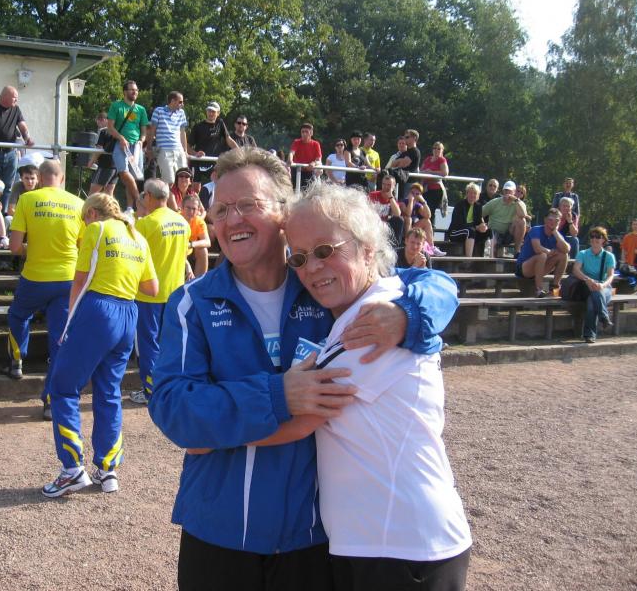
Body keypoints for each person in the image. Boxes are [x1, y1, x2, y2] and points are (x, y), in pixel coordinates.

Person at [148, 147, 459, 591]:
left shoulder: (323, 284)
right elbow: (175, 408)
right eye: (221, 209)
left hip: (310, 541)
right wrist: (277, 395)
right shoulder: (192, 302)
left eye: (248, 205)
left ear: (283, 214)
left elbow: (428, 282)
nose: (232, 220)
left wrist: (410, 315)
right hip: (217, 533)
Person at [282, 182, 470, 591]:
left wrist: (204, 431)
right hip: (381, 542)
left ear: (368, 249)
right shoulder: (365, 311)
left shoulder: (375, 319)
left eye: (325, 250)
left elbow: (299, 420)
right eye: (299, 257)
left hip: (402, 548)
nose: (311, 267)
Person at [42, 193, 158, 497]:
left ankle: (72, 469)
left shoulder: (97, 229)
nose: (84, 224)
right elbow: (152, 287)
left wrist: (68, 325)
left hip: (98, 311)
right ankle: (108, 469)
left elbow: (79, 281)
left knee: (62, 388)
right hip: (128, 313)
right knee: (109, 392)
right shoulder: (138, 237)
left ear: (92, 213)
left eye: (84, 218)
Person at [7, 160, 84, 420]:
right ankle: (51, 401)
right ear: (62, 179)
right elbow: (83, 246)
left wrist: (33, 249)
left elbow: (14, 247)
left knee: (18, 315)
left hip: (34, 278)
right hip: (67, 280)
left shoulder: (28, 199)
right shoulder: (78, 203)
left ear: (40, 178)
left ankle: (17, 359)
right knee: (59, 340)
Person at [134, 178, 190, 405]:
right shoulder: (182, 222)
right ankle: (169, 387)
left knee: (148, 344)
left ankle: (150, 391)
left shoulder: (145, 224)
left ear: (148, 196)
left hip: (148, 294)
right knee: (171, 344)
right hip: (175, 293)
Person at [107, 80, 149, 210]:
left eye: (136, 90)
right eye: (132, 90)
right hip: (121, 145)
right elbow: (110, 127)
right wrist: (121, 138)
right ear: (125, 92)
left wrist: (141, 141)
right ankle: (139, 200)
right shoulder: (116, 106)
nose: (134, 92)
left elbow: (144, 131)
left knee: (133, 178)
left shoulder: (141, 109)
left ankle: (130, 208)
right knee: (124, 172)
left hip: (136, 147)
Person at [572, 227, 615, 343]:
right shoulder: (583, 253)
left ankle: (589, 335)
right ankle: (604, 317)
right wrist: (587, 279)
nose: (594, 239)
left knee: (592, 302)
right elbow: (576, 270)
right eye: (592, 236)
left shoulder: (609, 256)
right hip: (585, 285)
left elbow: (610, 276)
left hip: (603, 286)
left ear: (603, 240)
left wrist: (603, 285)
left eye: (598, 237)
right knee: (594, 294)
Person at [515, 209, 570, 297]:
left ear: (559, 222)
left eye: (556, 220)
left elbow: (566, 249)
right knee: (542, 255)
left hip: (540, 268)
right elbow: (537, 249)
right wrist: (549, 252)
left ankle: (554, 289)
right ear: (545, 220)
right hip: (524, 269)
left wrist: (555, 232)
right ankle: (539, 290)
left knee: (563, 256)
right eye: (550, 219)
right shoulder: (536, 230)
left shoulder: (557, 235)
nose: (553, 222)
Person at [189, 101, 238, 184]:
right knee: (195, 188)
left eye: (213, 111)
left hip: (214, 163)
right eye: (209, 111)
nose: (211, 113)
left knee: (216, 185)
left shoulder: (220, 123)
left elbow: (229, 139)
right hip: (198, 162)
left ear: (218, 113)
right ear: (206, 111)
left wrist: (240, 152)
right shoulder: (197, 126)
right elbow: (187, 146)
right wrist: (195, 154)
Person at [147, 92, 190, 185]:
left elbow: (183, 133)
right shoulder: (158, 111)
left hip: (179, 150)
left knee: (182, 181)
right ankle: (162, 193)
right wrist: (149, 148)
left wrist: (185, 151)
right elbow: (152, 130)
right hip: (164, 149)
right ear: (173, 101)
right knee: (169, 181)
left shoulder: (181, 113)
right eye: (180, 102)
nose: (182, 104)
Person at [481, 180, 528, 257]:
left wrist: (515, 200)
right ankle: (491, 260)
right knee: (492, 243)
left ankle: (517, 252)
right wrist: (482, 224)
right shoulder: (494, 202)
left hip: (509, 234)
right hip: (494, 232)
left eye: (510, 191)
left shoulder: (519, 203)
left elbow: (523, 215)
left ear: (514, 192)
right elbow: (480, 213)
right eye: (506, 190)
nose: (507, 193)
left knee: (521, 221)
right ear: (503, 191)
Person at [400, 183, 444, 256]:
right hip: (404, 228)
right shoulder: (403, 202)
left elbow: (428, 215)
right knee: (408, 219)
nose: (414, 195)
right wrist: (411, 201)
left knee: (427, 221)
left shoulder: (418, 205)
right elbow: (408, 214)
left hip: (412, 227)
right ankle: (407, 243)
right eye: (412, 193)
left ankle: (432, 247)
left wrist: (423, 201)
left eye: (417, 194)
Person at [448, 182, 489, 258]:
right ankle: (468, 260)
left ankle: (488, 258)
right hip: (455, 232)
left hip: (470, 231)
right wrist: (476, 227)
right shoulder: (460, 205)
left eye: (475, 193)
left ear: (478, 196)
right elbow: (459, 223)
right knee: (470, 231)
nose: (472, 195)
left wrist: (483, 226)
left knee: (489, 231)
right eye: (470, 193)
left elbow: (480, 221)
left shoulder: (478, 206)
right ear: (467, 194)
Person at [87, 112, 119, 196]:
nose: (98, 123)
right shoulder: (117, 132)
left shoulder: (103, 131)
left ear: (105, 120)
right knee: (109, 193)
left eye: (99, 120)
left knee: (92, 193)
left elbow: (99, 148)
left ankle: (87, 205)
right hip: (116, 166)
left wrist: (91, 161)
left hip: (105, 166)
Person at [6, 156, 41, 228]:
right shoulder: (17, 186)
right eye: (26, 178)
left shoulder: (41, 187)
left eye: (32, 178)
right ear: (21, 178)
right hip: (21, 219)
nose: (30, 181)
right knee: (8, 219)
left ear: (37, 179)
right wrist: (26, 219)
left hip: (37, 219)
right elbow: (10, 210)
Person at [367, 174, 403, 243]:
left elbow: (398, 214)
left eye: (389, 185)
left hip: (385, 224)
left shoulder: (392, 199)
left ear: (393, 186)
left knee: (399, 220)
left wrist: (390, 197)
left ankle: (396, 245)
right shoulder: (373, 195)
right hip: (372, 222)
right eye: (384, 184)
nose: (386, 187)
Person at [182, 194, 211, 277]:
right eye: (188, 208)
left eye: (194, 209)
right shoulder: (176, 218)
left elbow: (207, 242)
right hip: (177, 250)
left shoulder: (199, 222)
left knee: (203, 250)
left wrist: (191, 244)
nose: (191, 211)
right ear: (182, 207)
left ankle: (199, 281)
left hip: (190, 249)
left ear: (198, 210)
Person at [288, 122, 322, 190]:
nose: (304, 134)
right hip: (297, 171)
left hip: (309, 171)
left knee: (309, 192)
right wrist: (290, 160)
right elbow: (291, 153)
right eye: (302, 132)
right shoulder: (296, 142)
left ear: (311, 133)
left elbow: (318, 159)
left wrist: (313, 163)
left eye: (306, 132)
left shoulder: (316, 144)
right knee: (294, 191)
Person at [389, 130, 421, 201]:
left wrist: (400, 161)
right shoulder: (406, 152)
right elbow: (393, 164)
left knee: (405, 203)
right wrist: (401, 160)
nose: (404, 139)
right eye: (404, 137)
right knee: (400, 202)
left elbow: (403, 164)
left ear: (414, 138)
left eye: (407, 137)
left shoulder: (415, 151)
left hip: (409, 183)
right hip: (402, 181)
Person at [421, 141, 449, 219]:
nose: (436, 150)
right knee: (423, 210)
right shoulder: (428, 159)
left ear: (442, 150)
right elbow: (421, 171)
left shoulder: (442, 160)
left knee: (430, 211)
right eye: (434, 148)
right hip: (425, 188)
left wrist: (431, 172)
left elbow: (445, 172)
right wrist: (425, 172)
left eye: (439, 148)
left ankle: (431, 226)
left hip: (436, 189)